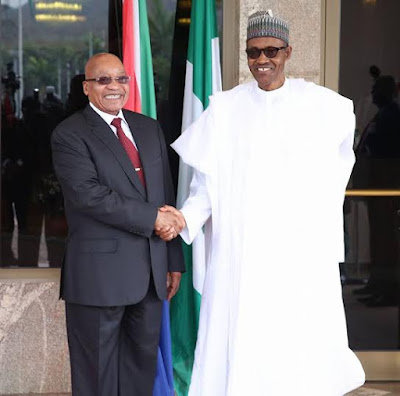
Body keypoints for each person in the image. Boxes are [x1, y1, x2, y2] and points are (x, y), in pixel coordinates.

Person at [157, 10, 365, 396]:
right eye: (253, 53)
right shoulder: (225, 109)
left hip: (296, 252)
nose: (262, 60)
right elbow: (207, 186)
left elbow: (336, 172)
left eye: (271, 50)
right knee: (242, 335)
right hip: (242, 253)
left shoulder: (323, 107)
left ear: (288, 51)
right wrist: (183, 219)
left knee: (294, 340)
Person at [51, 53, 185, 396]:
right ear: (87, 87)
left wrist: (172, 259)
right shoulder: (70, 134)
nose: (114, 86)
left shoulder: (147, 127)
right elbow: (89, 196)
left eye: (120, 79)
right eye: (103, 80)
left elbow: (164, 194)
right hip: (99, 276)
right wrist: (153, 218)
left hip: (152, 275)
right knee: (96, 374)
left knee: (140, 370)